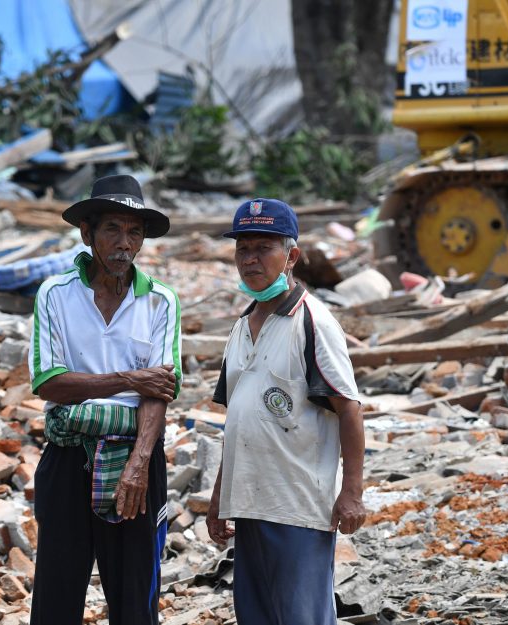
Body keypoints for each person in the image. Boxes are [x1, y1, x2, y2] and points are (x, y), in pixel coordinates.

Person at [28, 174, 182, 625]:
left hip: (136, 458)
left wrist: (139, 462)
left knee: (135, 598)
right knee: (57, 592)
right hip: (68, 456)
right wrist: (129, 378)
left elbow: (161, 392)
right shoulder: (55, 294)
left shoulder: (161, 301)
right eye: (112, 229)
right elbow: (49, 383)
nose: (124, 243)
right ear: (87, 233)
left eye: (134, 232)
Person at [206, 198, 366, 625]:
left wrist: (351, 492)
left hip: (296, 506)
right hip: (250, 504)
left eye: (263, 248)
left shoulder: (312, 322)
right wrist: (220, 495)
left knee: (301, 617)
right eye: (243, 249)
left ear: (291, 256)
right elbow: (237, 418)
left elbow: (348, 409)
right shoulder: (241, 327)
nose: (251, 259)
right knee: (256, 616)